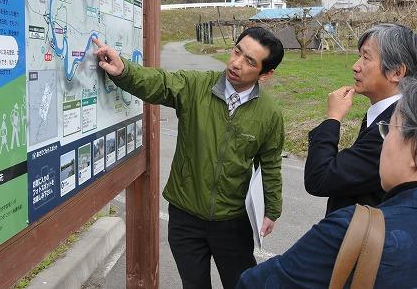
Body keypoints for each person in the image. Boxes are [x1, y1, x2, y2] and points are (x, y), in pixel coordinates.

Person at [93, 27, 285, 289]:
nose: (236, 63)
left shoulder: (270, 114)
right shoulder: (196, 86)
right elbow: (158, 83)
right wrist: (124, 71)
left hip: (232, 221)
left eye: (250, 61)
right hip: (185, 219)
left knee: (242, 284)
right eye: (237, 51)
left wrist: (272, 209)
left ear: (266, 73)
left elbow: (271, 164)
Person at [238, 75, 417, 288]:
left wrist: (332, 119)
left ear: (416, 151)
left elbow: (254, 283)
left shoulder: (354, 233)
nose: (355, 67)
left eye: (388, 130)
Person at [304, 24, 417, 215]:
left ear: (397, 72)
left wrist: (333, 118)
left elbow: (320, 179)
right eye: (359, 56)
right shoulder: (393, 113)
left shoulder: (393, 128)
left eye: (366, 57)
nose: (355, 66)